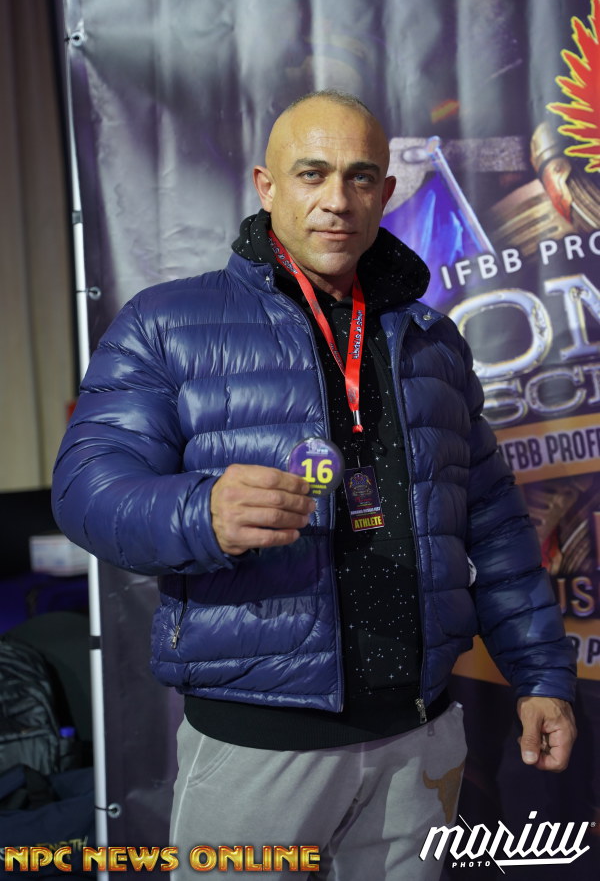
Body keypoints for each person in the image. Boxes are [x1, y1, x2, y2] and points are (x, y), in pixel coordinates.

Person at [52, 90, 577, 879]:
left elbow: (496, 526)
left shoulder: (432, 339)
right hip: (260, 743)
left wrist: (539, 674)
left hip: (419, 735)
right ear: (266, 187)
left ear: (386, 192)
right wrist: (200, 512)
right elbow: (85, 489)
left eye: (361, 177)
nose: (338, 199)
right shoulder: (166, 323)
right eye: (312, 173)